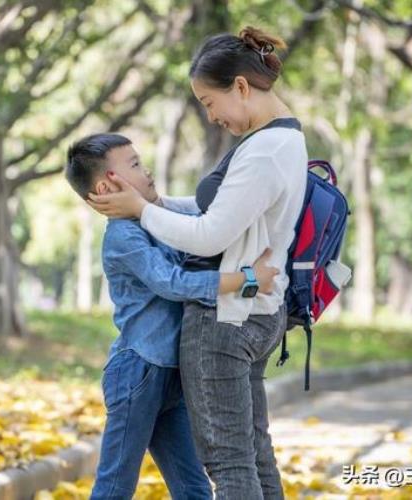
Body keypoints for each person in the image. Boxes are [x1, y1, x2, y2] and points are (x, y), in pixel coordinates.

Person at [86, 27, 308, 500]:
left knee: (230, 464)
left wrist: (145, 210)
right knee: (251, 454)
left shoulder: (263, 151)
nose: (210, 117)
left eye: (209, 102)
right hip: (250, 312)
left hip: (227, 322)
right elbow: (220, 213)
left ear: (242, 88)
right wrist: (155, 205)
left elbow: (210, 234)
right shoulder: (281, 140)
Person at [65, 132, 279, 500]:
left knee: (194, 488)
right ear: (106, 185)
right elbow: (172, 282)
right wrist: (246, 281)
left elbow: (204, 215)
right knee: (115, 486)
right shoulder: (122, 236)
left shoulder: (156, 213)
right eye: (133, 165)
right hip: (138, 374)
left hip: (175, 377)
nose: (146, 170)